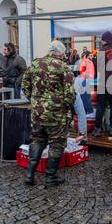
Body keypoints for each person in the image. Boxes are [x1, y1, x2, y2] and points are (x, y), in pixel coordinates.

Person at [22, 40, 76, 186]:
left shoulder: (34, 64)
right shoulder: (64, 68)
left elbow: (25, 85)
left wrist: (35, 101)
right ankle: (50, 176)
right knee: (56, 144)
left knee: (37, 140)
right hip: (56, 115)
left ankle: (29, 174)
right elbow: (70, 94)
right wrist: (64, 106)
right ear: (61, 53)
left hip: (37, 113)